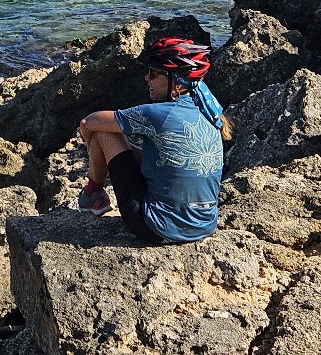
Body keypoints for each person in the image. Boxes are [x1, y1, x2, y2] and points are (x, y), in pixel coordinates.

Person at [76, 36, 231, 244]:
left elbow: (88, 123)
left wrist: (92, 146)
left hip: (156, 227)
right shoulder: (209, 112)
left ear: (176, 83)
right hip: (203, 226)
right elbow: (172, 160)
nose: (146, 79)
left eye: (153, 73)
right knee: (117, 140)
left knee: (104, 133)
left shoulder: (160, 114)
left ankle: (93, 194)